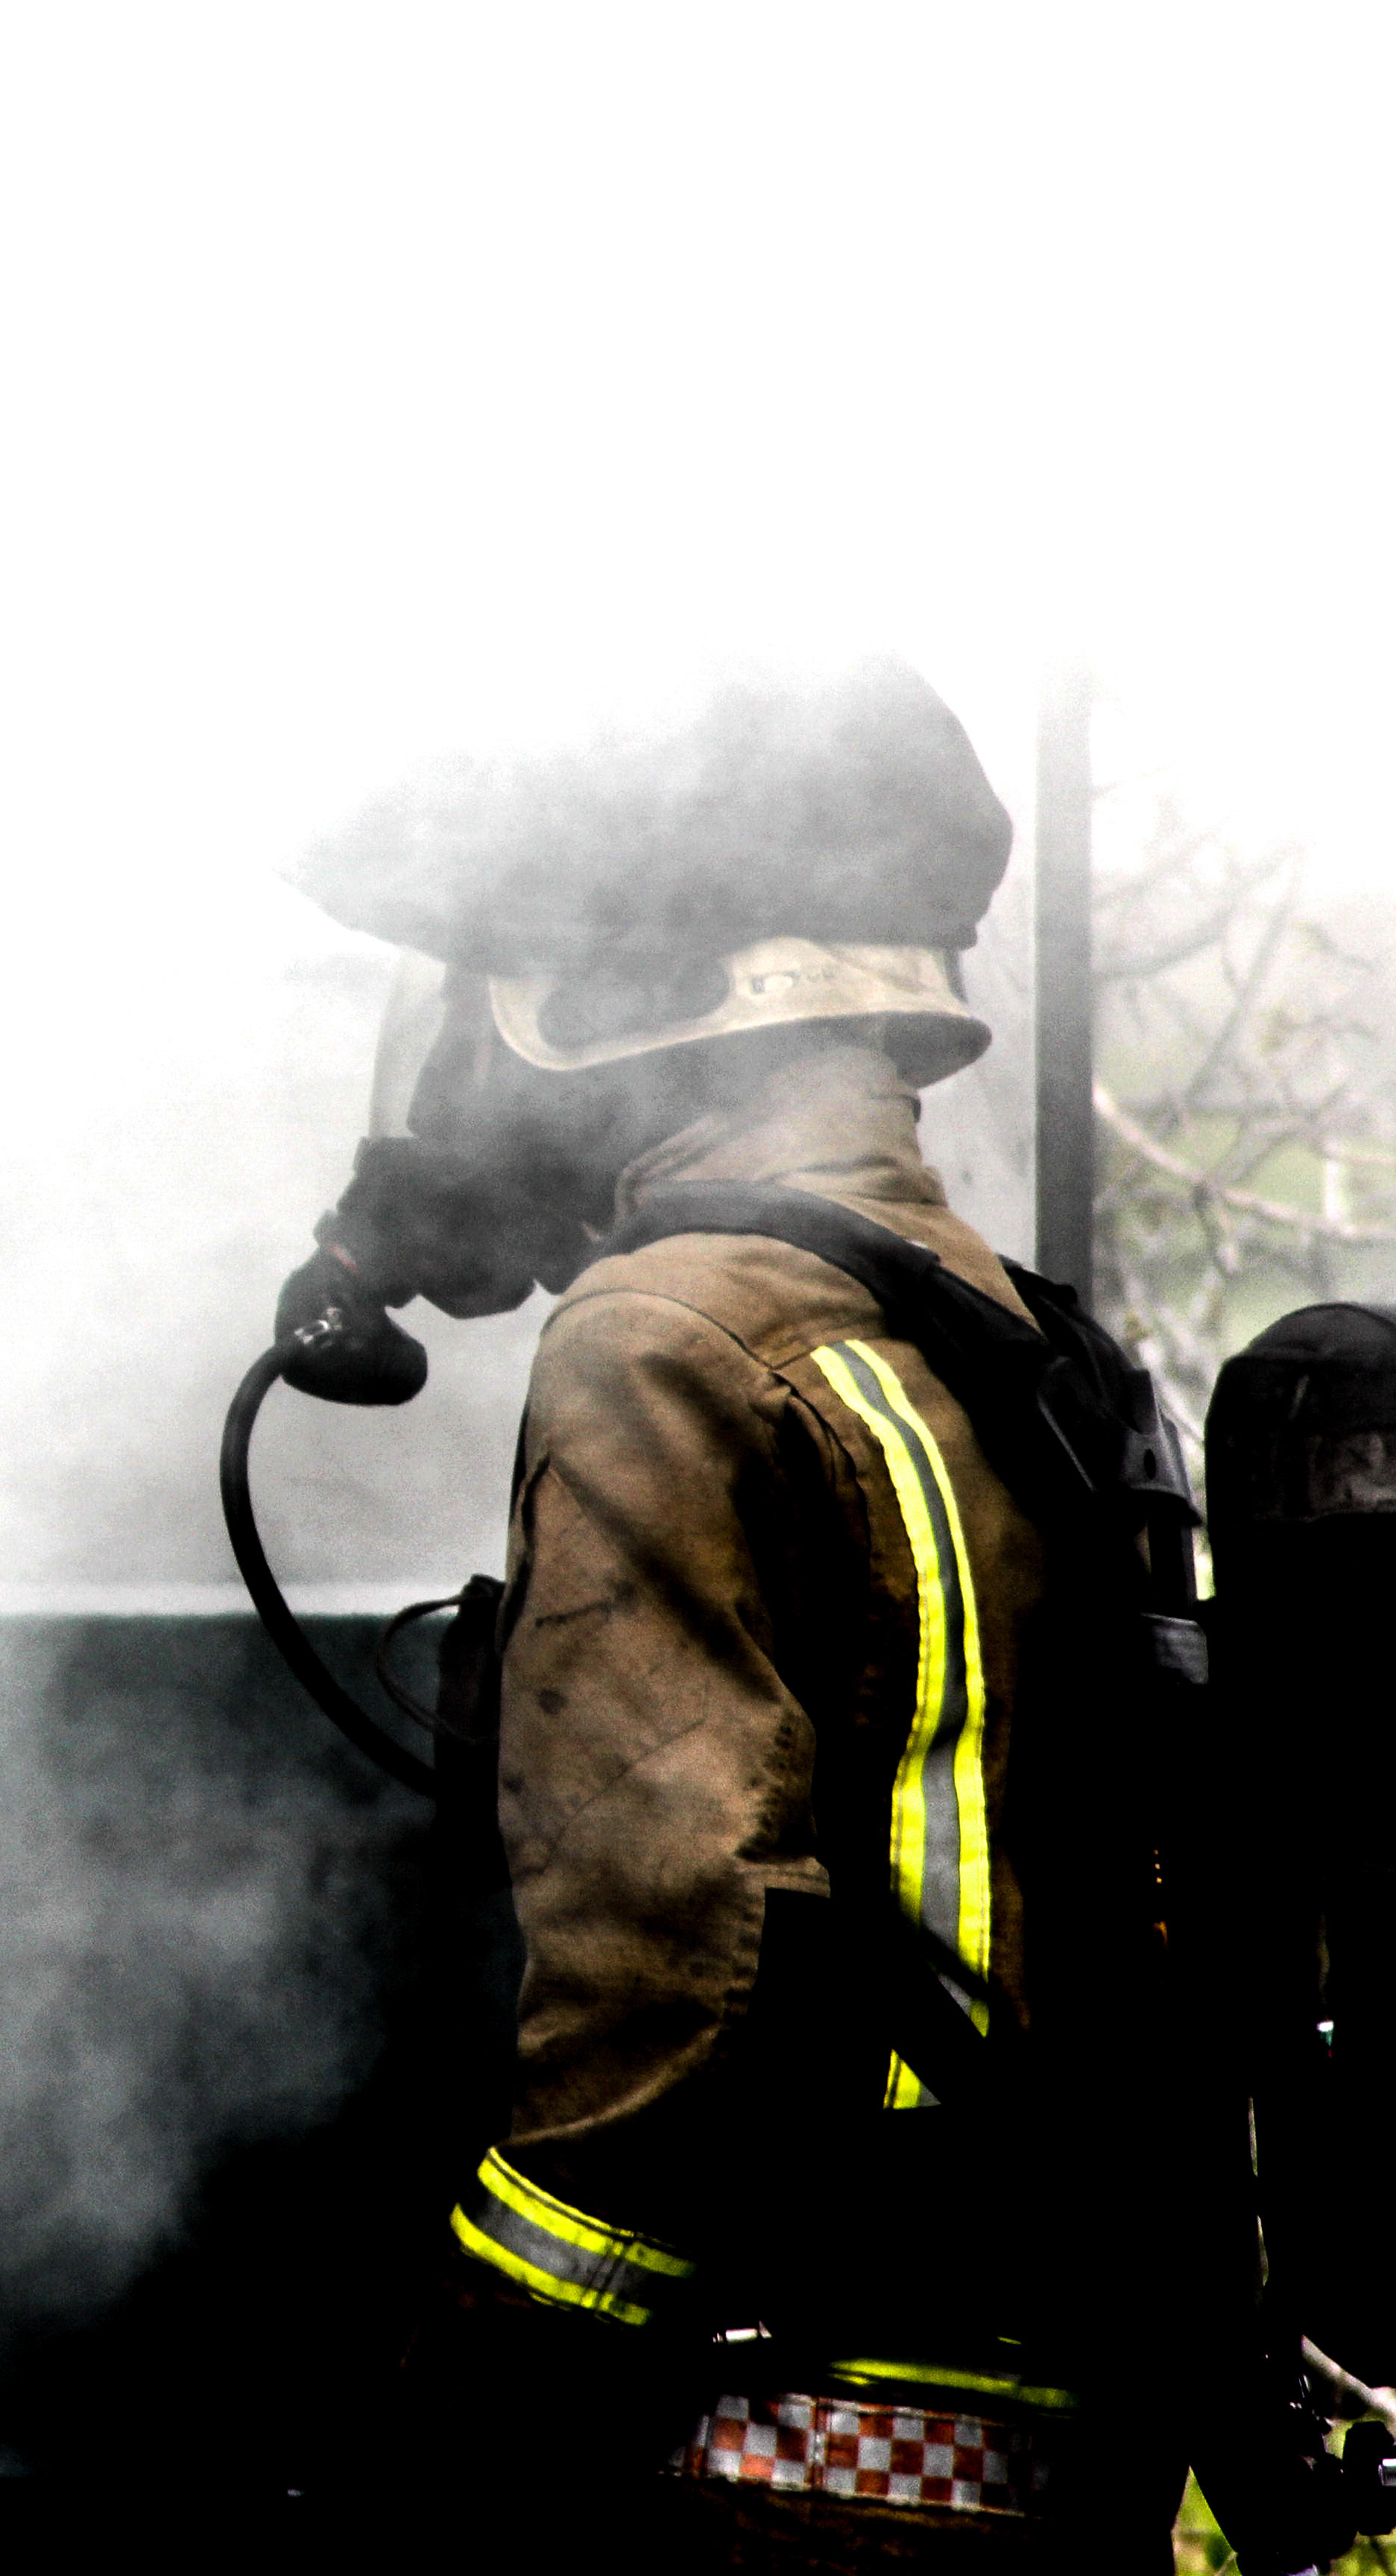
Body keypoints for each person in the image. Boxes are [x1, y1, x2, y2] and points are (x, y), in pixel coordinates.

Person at [284, 660, 1351, 2572]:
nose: (453, 1075)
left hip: (786, 2457)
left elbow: (678, 1966)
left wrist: (465, 2396)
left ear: (621, 997)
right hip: (1049, 2440)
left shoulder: (668, 1337)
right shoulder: (1040, 1352)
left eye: (483, 993)